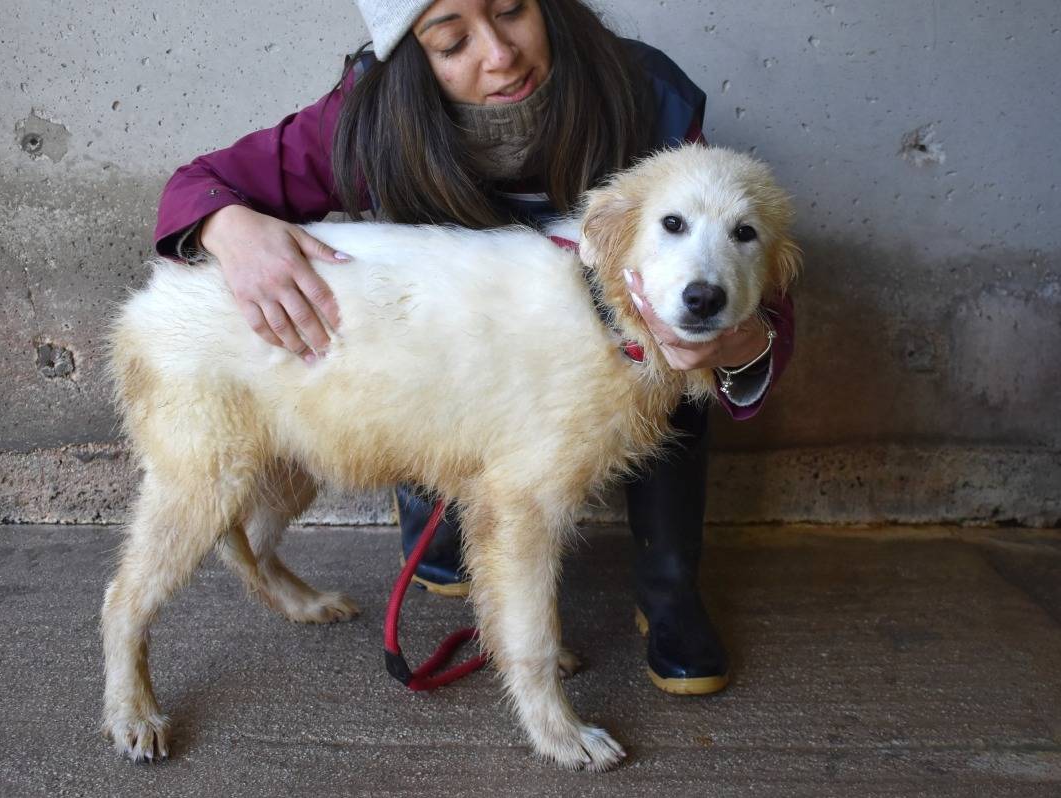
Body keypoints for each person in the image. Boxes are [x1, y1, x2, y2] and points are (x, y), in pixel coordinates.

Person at [153, 0, 796, 695]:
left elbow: (736, 257)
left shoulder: (648, 97)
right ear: (410, 59)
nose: (499, 54)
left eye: (513, 10)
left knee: (670, 354)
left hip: (603, 354)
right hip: (454, 367)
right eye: (452, 40)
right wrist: (229, 226)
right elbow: (199, 183)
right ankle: (440, 521)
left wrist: (740, 343)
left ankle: (668, 588)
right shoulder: (368, 115)